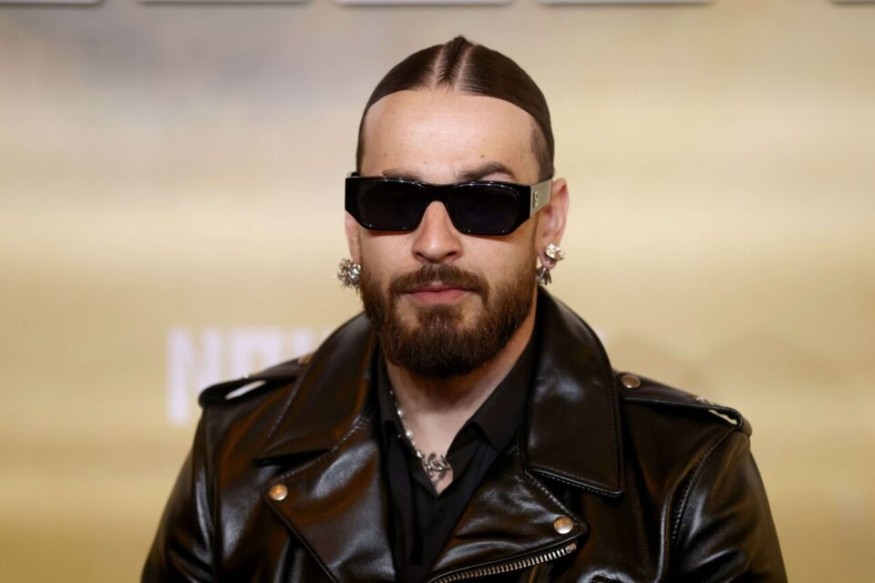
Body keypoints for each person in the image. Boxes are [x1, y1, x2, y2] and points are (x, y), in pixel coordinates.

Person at [143, 36, 786, 582]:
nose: (434, 242)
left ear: (550, 220)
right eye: (395, 200)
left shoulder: (686, 473)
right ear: (354, 226)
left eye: (484, 201)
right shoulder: (235, 451)